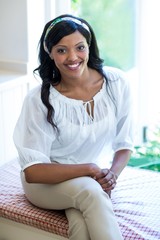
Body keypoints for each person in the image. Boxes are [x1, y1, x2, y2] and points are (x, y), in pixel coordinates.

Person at [13, 14, 134, 240]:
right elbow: (33, 172)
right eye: (61, 50)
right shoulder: (39, 99)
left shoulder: (117, 84)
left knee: (81, 222)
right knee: (89, 193)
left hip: (89, 182)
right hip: (45, 184)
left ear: (89, 47)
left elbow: (124, 144)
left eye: (80, 47)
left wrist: (111, 177)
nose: (73, 57)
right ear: (50, 53)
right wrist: (88, 169)